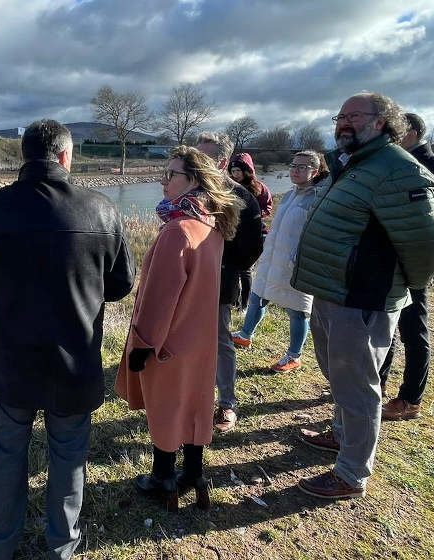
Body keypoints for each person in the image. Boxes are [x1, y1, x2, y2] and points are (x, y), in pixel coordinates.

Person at [0, 120, 135, 559]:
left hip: (8, 362)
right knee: (69, 455)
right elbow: (122, 284)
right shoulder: (102, 210)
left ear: (24, 156)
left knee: (7, 451)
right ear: (66, 157)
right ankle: (61, 546)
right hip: (74, 364)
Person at [291, 93, 434, 499]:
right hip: (330, 293)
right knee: (340, 378)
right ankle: (341, 437)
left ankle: (352, 474)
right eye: (339, 116)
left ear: (382, 122)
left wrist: (391, 285)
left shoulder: (397, 170)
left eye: (352, 116)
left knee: (358, 387)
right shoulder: (352, 164)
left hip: (362, 298)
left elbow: (427, 247)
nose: (342, 123)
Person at [115, 146, 242, 511]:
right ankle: (194, 475)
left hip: (168, 340)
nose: (163, 179)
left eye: (171, 174)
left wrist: (142, 344)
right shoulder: (211, 225)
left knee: (167, 408)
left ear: (194, 181)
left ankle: (163, 477)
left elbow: (159, 298)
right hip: (200, 337)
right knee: (196, 405)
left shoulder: (177, 231)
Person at [379, 112, 434, 421]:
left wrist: (412, 255)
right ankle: (377, 385)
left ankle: (410, 399)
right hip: (382, 266)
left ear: (410, 132)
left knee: (412, 330)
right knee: (381, 329)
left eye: (393, 132)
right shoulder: (387, 166)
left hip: (412, 267)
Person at [231, 151, 329, 372]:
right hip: (273, 257)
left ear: (316, 171)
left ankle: (294, 356)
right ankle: (245, 335)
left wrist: (300, 259)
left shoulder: (318, 197)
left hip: (296, 264)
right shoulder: (291, 193)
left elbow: (318, 234)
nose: (295, 170)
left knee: (297, 310)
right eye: (293, 165)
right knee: (258, 296)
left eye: (302, 167)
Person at [194, 132, 263, 433]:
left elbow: (253, 246)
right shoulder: (189, 189)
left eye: (205, 156)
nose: (197, 162)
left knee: (221, 342)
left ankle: (226, 405)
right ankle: (189, 398)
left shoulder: (242, 197)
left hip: (220, 283)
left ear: (221, 161)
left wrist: (227, 268)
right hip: (186, 282)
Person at [228, 152, 272, 311]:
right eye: (233, 172)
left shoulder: (259, 188)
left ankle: (245, 304)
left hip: (252, 234)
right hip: (233, 233)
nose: (235, 174)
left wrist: (253, 214)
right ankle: (234, 301)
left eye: (239, 171)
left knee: (245, 270)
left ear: (248, 171)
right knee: (232, 269)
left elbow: (267, 208)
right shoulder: (230, 187)